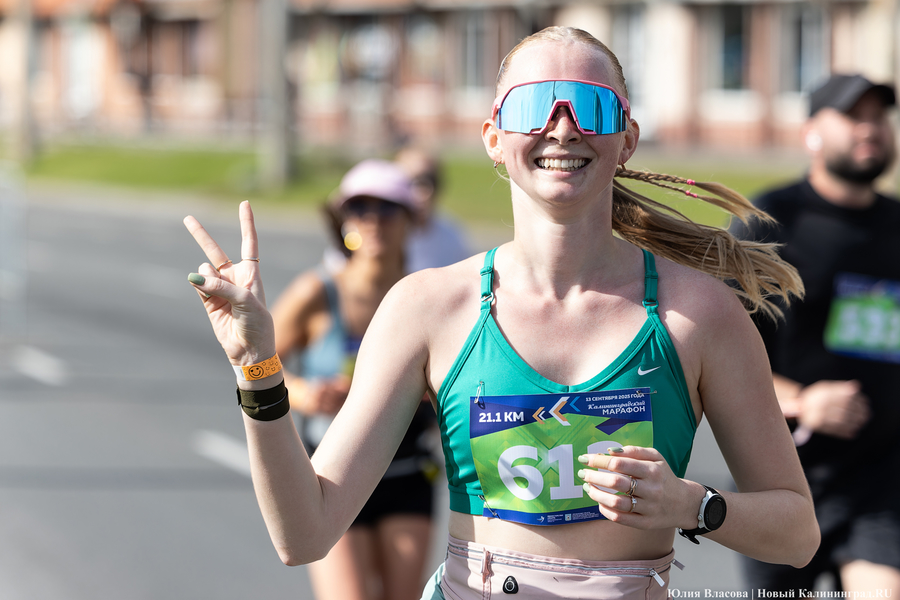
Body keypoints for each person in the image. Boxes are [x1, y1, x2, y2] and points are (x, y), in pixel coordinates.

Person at [184, 26, 819, 599]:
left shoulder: (697, 312)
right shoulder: (429, 307)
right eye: (534, 108)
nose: (562, 128)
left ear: (626, 138)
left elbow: (797, 533)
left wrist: (691, 504)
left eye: (590, 106)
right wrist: (258, 369)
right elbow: (306, 534)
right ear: (494, 137)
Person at [732, 73, 900, 594]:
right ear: (811, 132)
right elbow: (724, 357)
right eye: (853, 116)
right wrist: (802, 401)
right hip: (781, 479)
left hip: (881, 482)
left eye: (879, 117)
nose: (870, 129)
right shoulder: (767, 224)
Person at [269, 159, 437, 600]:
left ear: (412, 218)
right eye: (360, 208)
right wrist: (304, 393)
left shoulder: (430, 297)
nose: (373, 220)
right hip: (331, 476)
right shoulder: (317, 292)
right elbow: (260, 363)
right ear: (344, 220)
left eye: (387, 208)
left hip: (406, 472)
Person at [394, 146, 471, 272]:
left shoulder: (451, 238)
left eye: (431, 181)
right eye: (412, 182)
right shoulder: (378, 232)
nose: (425, 191)